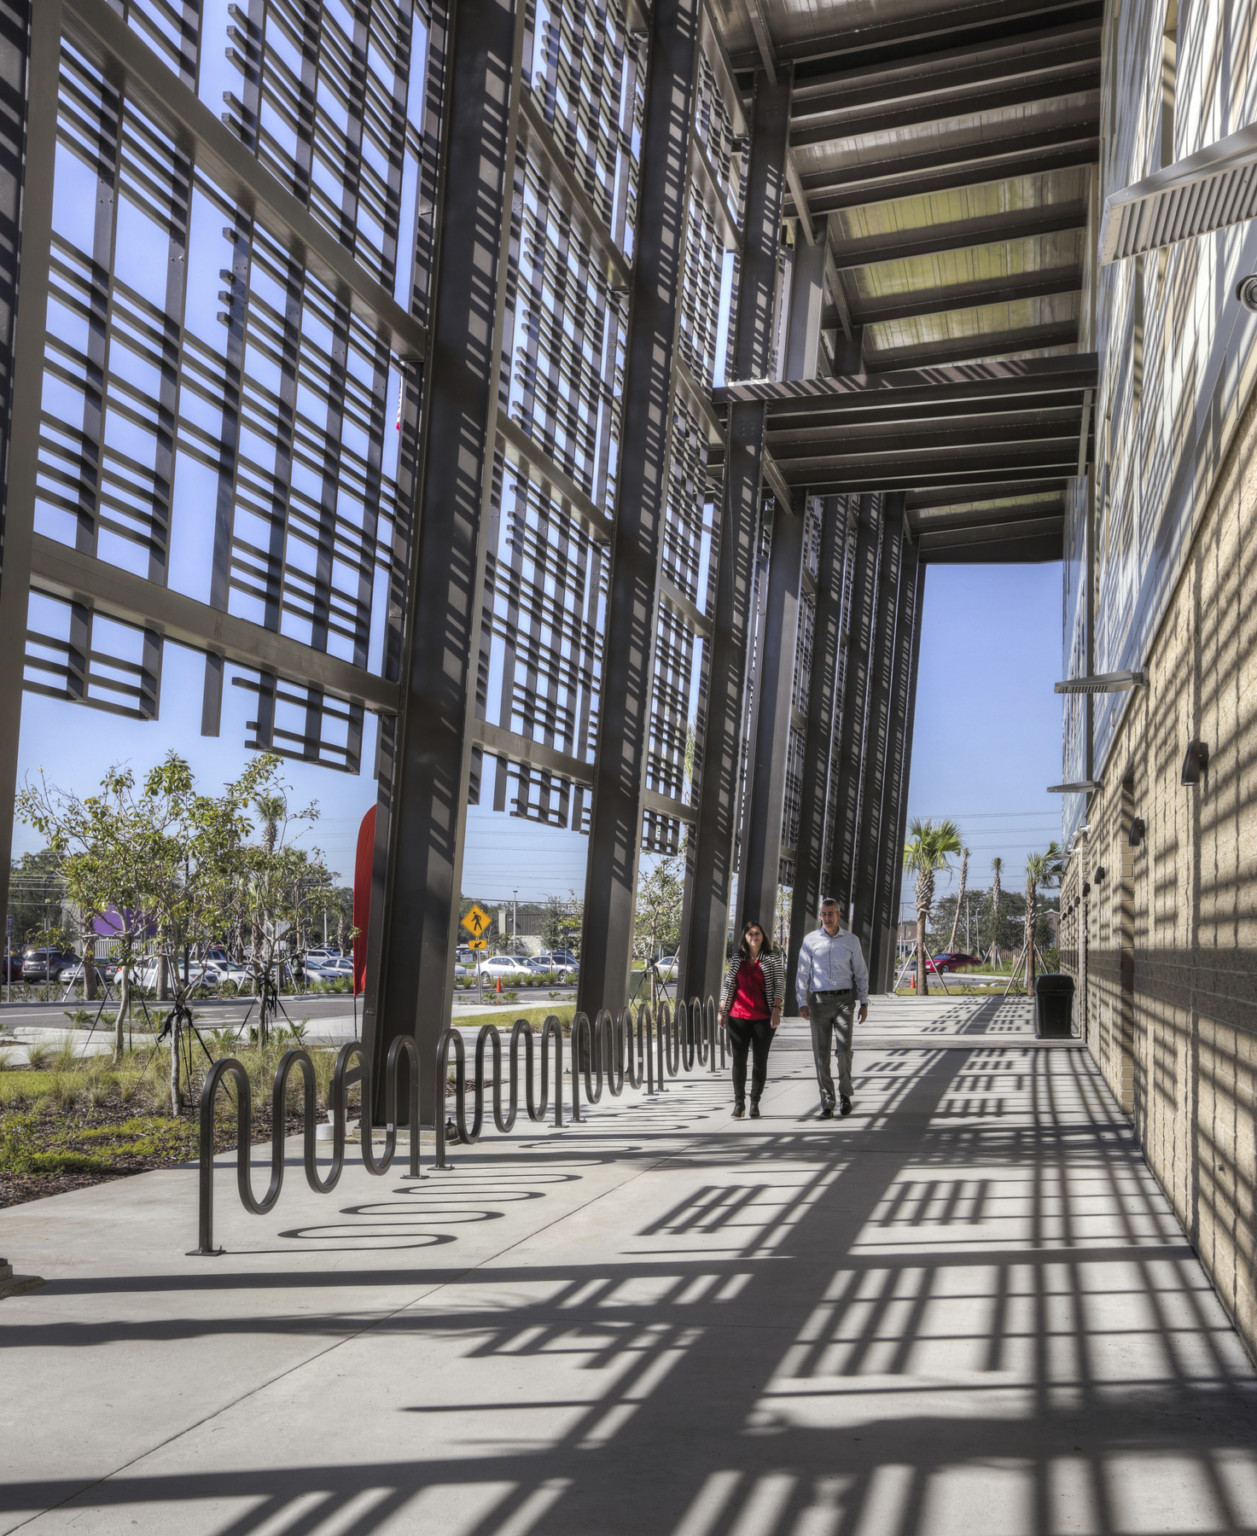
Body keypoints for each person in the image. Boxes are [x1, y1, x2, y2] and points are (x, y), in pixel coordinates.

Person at [795, 898, 869, 1118]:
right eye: (824, 914)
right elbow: (802, 974)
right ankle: (827, 1100)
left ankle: (845, 1095)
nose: (827, 918)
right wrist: (802, 1002)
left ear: (839, 915)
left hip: (844, 1001)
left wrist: (864, 1002)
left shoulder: (851, 941)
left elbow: (861, 972)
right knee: (821, 1054)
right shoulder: (810, 941)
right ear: (820, 916)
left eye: (831, 914)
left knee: (844, 1051)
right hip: (818, 1002)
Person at [717, 920, 786, 1119]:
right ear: (745, 938)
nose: (754, 937)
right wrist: (722, 1009)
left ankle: (755, 1101)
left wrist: (776, 1009)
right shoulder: (738, 958)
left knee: (759, 1061)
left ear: (763, 936)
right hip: (738, 1016)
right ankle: (739, 1103)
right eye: (750, 934)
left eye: (757, 933)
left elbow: (779, 983)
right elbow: (729, 983)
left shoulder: (772, 958)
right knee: (739, 1060)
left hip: (763, 1018)